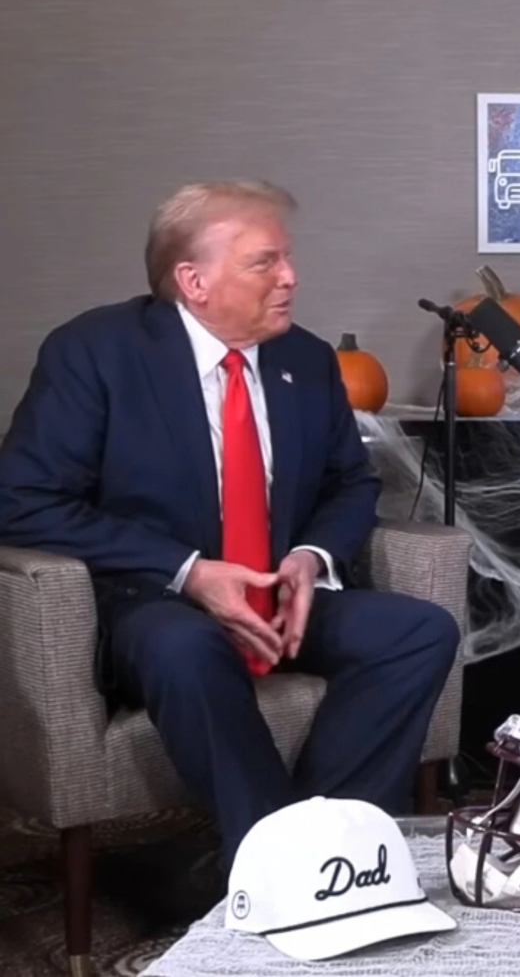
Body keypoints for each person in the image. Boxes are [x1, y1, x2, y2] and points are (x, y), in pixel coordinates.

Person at [0, 181, 459, 910]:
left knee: (419, 632)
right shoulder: (96, 352)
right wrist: (188, 572)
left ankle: (322, 853)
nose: (291, 277)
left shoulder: (306, 360)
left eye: (287, 258)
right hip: (152, 599)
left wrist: (311, 559)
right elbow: (22, 500)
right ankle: (273, 869)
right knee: (185, 646)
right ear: (194, 280)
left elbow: (350, 484)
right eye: (265, 262)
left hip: (277, 592)